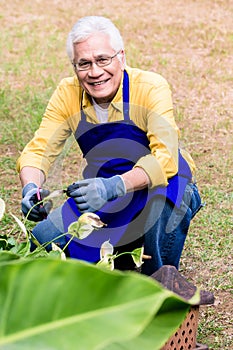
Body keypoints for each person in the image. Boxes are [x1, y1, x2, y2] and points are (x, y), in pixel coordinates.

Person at [17, 16, 202, 275]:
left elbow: (166, 158)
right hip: (107, 190)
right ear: (74, 66)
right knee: (44, 239)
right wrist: (31, 188)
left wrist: (114, 186)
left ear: (122, 57)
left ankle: (160, 283)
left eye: (103, 59)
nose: (94, 72)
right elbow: (39, 150)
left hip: (161, 186)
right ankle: (122, 254)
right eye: (84, 64)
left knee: (163, 208)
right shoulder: (67, 93)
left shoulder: (151, 87)